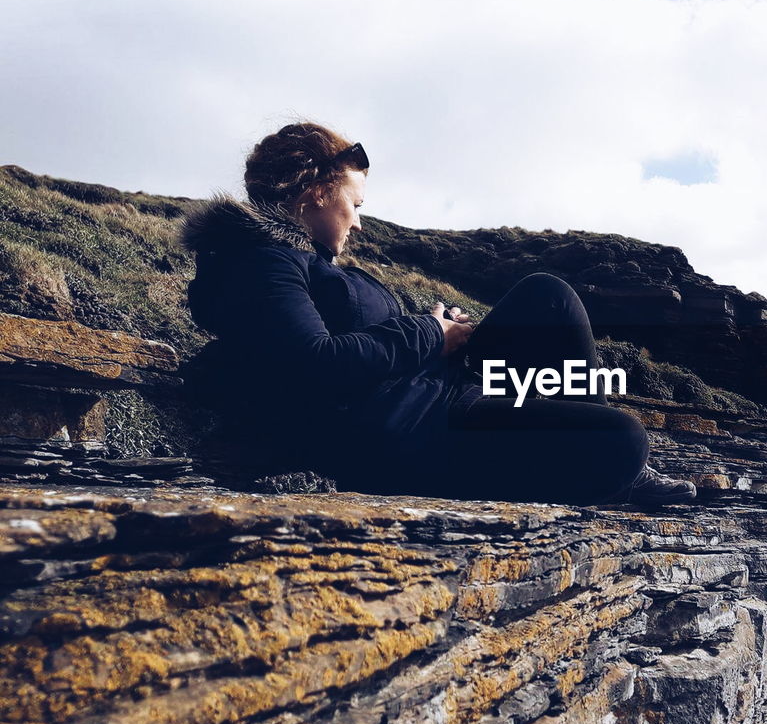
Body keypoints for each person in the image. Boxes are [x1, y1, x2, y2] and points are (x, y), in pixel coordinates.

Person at [180, 121, 697, 506]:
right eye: (355, 204)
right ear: (316, 193)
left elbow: (361, 336)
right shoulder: (264, 264)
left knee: (548, 298)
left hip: (435, 388)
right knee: (621, 438)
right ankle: (602, 461)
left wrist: (442, 330)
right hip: (415, 430)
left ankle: (595, 454)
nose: (359, 223)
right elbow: (314, 360)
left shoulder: (303, 260)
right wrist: (430, 331)